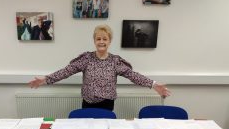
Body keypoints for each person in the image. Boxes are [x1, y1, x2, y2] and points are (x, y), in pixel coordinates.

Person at [29, 25, 170, 111]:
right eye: (98, 39)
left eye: (104, 39)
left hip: (107, 104)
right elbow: (66, 71)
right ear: (94, 41)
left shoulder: (115, 61)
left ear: (109, 41)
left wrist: (153, 84)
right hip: (87, 103)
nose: (101, 41)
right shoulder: (86, 59)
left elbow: (133, 76)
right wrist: (45, 80)